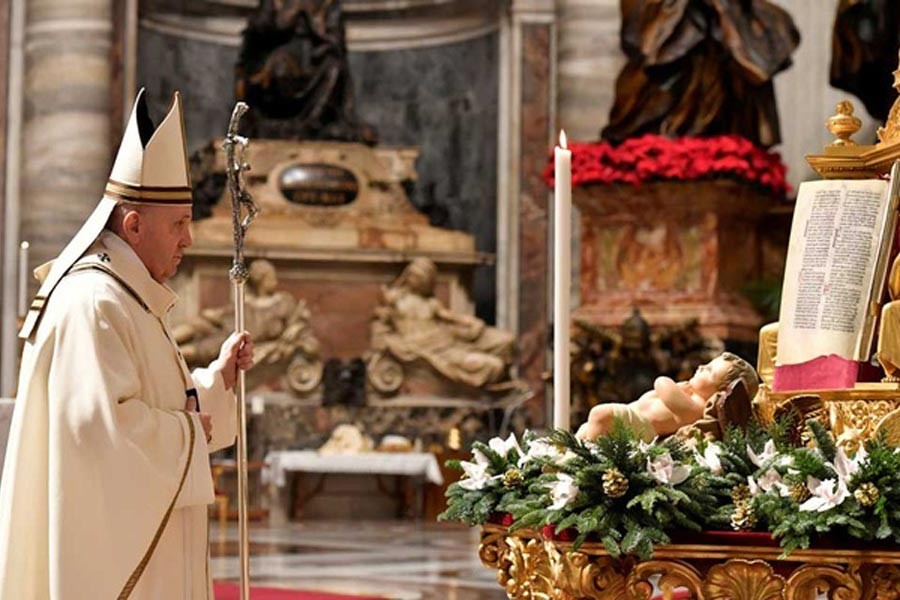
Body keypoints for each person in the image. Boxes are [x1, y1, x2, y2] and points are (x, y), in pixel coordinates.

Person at [0, 89, 254, 598]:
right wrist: (187, 432)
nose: (188, 239)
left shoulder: (128, 296)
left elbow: (154, 402)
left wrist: (215, 381)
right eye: (178, 224)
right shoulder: (94, 301)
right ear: (133, 225)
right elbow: (96, 432)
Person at [576, 352, 758, 442]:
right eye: (707, 364)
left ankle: (589, 459)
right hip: (633, 415)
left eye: (709, 371)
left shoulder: (698, 407)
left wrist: (669, 383)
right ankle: (569, 457)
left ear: (721, 391)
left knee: (601, 414)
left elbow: (663, 386)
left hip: (642, 428)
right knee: (586, 429)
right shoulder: (690, 393)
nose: (702, 366)